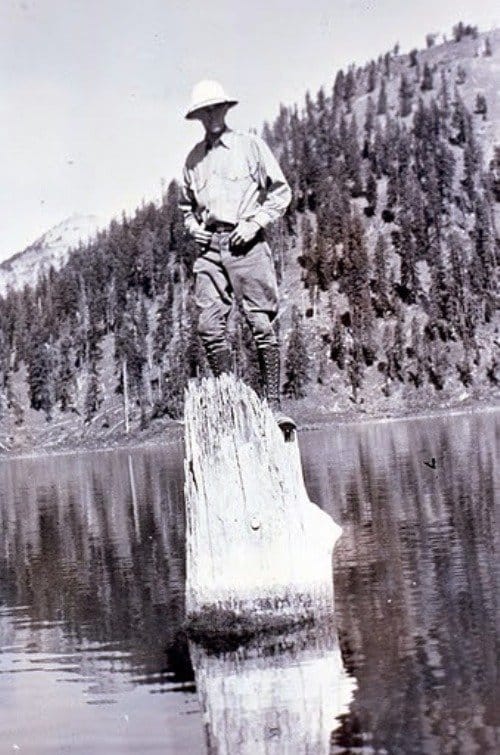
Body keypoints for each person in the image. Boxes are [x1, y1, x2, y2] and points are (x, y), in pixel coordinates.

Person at [179, 79, 294, 429]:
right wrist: (193, 227)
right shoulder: (193, 160)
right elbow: (186, 208)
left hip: (247, 243)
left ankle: (273, 409)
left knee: (260, 322)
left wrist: (255, 222)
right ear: (198, 116)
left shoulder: (250, 146)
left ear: (226, 109)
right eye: (204, 111)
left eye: (216, 108)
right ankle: (233, 410)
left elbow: (281, 192)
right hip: (210, 250)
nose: (211, 115)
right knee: (209, 327)